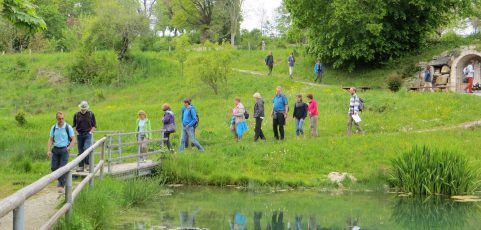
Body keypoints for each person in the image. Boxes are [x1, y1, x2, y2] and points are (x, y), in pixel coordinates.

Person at [47, 112, 75, 193]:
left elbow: (73, 139)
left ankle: (61, 185)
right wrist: (49, 150)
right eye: (59, 118)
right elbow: (51, 139)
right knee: (54, 167)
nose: (61, 120)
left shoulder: (68, 127)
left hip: (64, 150)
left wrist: (69, 148)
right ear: (57, 119)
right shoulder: (53, 127)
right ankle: (62, 180)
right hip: (55, 149)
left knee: (62, 168)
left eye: (62, 118)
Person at [73, 101, 96, 172]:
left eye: (84, 108)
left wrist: (90, 132)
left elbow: (94, 125)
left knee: (86, 148)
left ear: (87, 108)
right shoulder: (76, 115)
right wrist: (77, 133)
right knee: (80, 151)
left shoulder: (91, 114)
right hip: (79, 135)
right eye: (82, 108)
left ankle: (87, 165)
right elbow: (74, 125)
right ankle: (81, 167)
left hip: (88, 135)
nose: (83, 110)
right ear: (80, 108)